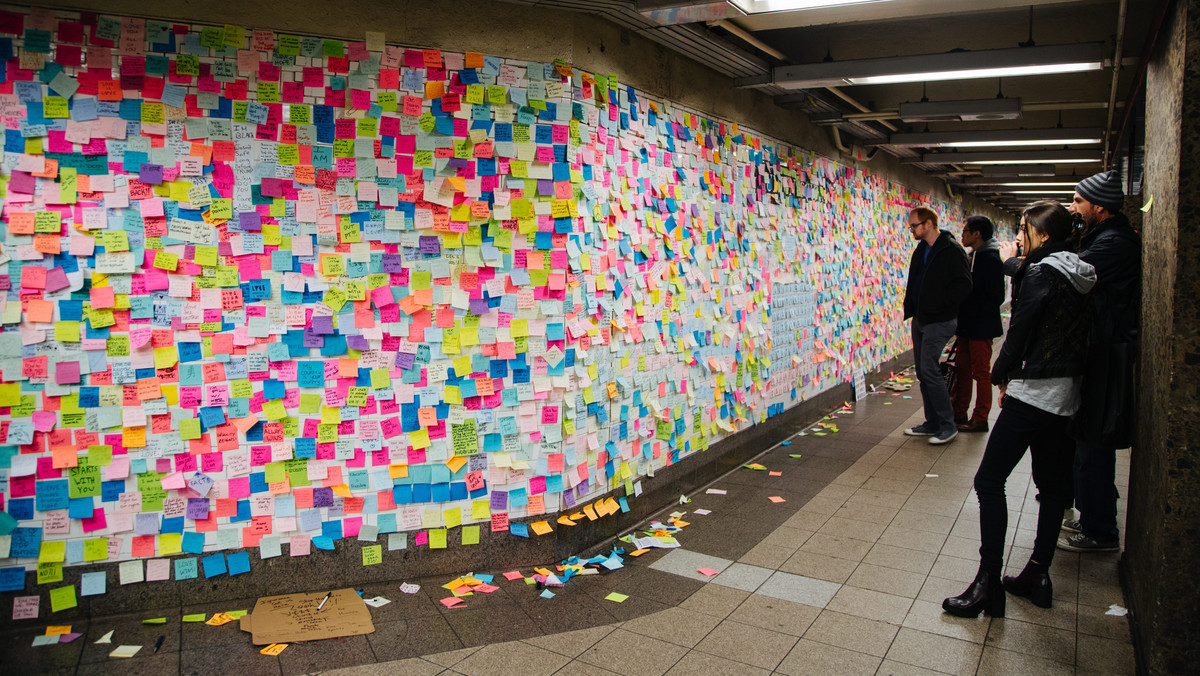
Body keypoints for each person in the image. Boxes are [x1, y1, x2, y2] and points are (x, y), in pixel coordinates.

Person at [943, 201, 1096, 618]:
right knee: (1052, 488)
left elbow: (1022, 328)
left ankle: (987, 583)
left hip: (1033, 394)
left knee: (989, 481)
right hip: (1066, 396)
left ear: (1043, 236)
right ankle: (1038, 574)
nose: (1019, 237)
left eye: (1025, 230)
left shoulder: (1041, 273)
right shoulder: (1080, 271)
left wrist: (1000, 372)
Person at [1057, 169, 1141, 553]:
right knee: (1085, 438)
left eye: (1078, 201)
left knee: (1093, 439)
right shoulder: (1104, 237)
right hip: (1099, 348)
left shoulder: (1115, 243)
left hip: (1106, 353)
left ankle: (1100, 530)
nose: (1074, 207)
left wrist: (1023, 263)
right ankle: (1091, 515)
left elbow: (1070, 276)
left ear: (1099, 206)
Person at [902, 207, 973, 445]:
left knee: (930, 370)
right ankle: (931, 422)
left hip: (940, 320)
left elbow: (964, 285)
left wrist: (939, 304)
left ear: (929, 223)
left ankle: (947, 425)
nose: (911, 230)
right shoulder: (922, 249)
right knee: (923, 372)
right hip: (921, 318)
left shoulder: (951, 250)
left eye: (914, 225)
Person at [952, 216, 1006, 433]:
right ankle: (959, 411)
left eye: (966, 231)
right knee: (962, 368)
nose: (962, 234)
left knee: (981, 372)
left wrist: (971, 307)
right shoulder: (973, 256)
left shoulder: (990, 258)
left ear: (977, 234)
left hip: (980, 326)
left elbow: (996, 296)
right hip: (967, 324)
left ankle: (981, 417)